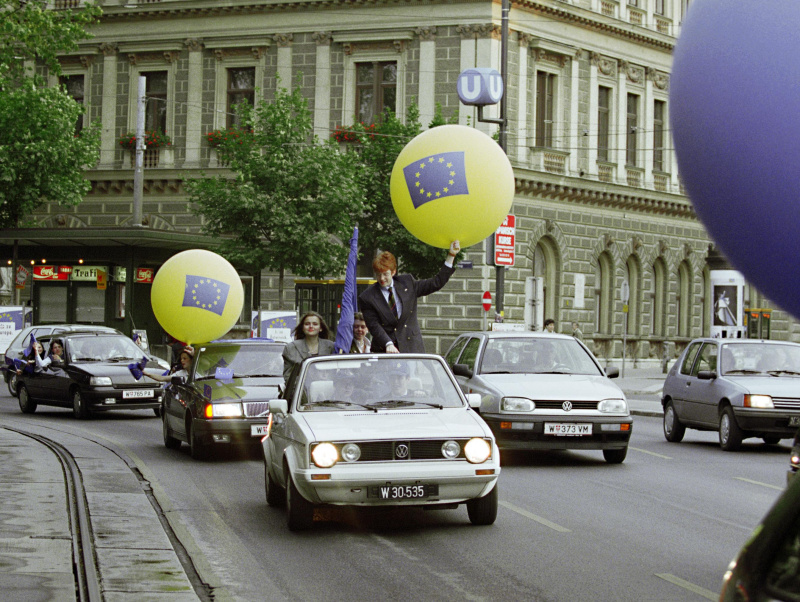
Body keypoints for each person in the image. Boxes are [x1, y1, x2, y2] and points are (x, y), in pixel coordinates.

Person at [359, 240, 460, 353]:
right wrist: (388, 344)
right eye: (378, 275)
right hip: (385, 350)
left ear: (393, 272)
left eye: (385, 274)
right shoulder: (367, 297)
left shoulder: (407, 283)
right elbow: (374, 325)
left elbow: (435, 283)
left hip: (411, 348)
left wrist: (451, 255)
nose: (382, 279)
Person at [282, 311, 336, 380]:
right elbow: (288, 377)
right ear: (302, 327)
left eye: (315, 324)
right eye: (307, 324)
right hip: (302, 389)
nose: (311, 326)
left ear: (321, 328)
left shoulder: (331, 346)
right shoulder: (291, 348)